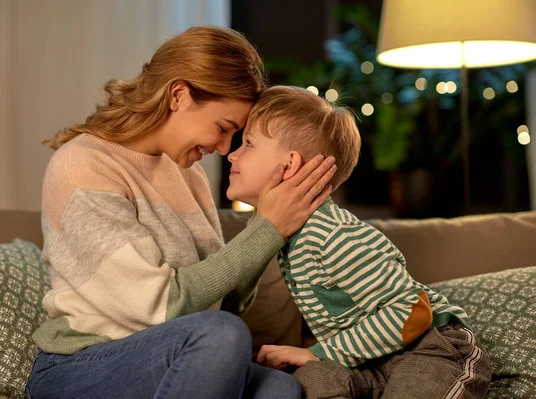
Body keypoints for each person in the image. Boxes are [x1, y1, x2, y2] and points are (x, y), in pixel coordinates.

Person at [25, 27, 337, 399]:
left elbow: (224, 301)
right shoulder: (82, 167)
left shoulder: (189, 175)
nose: (223, 148)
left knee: (280, 390)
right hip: (79, 367)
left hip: (167, 356)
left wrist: (271, 221)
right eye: (223, 128)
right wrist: (267, 228)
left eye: (235, 136)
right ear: (179, 95)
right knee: (221, 335)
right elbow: (158, 306)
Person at [226, 85, 492, 398]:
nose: (232, 153)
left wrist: (321, 351)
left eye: (247, 143)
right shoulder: (290, 236)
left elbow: (413, 312)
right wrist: (318, 357)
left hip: (431, 350)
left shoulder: (331, 235)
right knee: (314, 379)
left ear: (289, 165)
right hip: (372, 363)